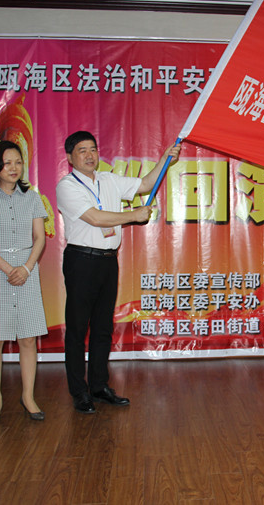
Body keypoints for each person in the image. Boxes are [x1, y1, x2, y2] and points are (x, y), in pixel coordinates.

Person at [56, 131, 180, 413]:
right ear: (70, 158)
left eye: (93, 149)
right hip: (81, 260)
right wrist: (133, 215)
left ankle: (99, 386)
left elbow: (146, 184)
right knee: (77, 328)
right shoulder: (67, 186)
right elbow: (95, 217)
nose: (90, 155)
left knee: (103, 327)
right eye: (82, 151)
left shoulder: (109, 180)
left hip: (108, 261)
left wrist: (165, 159)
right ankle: (79, 391)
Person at [0, 140, 49, 426]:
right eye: (7, 163)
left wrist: (25, 269)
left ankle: (28, 397)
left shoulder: (32, 198)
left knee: (28, 338)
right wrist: (9, 269)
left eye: (18, 162)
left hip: (27, 272)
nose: (14, 168)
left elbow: (39, 238)